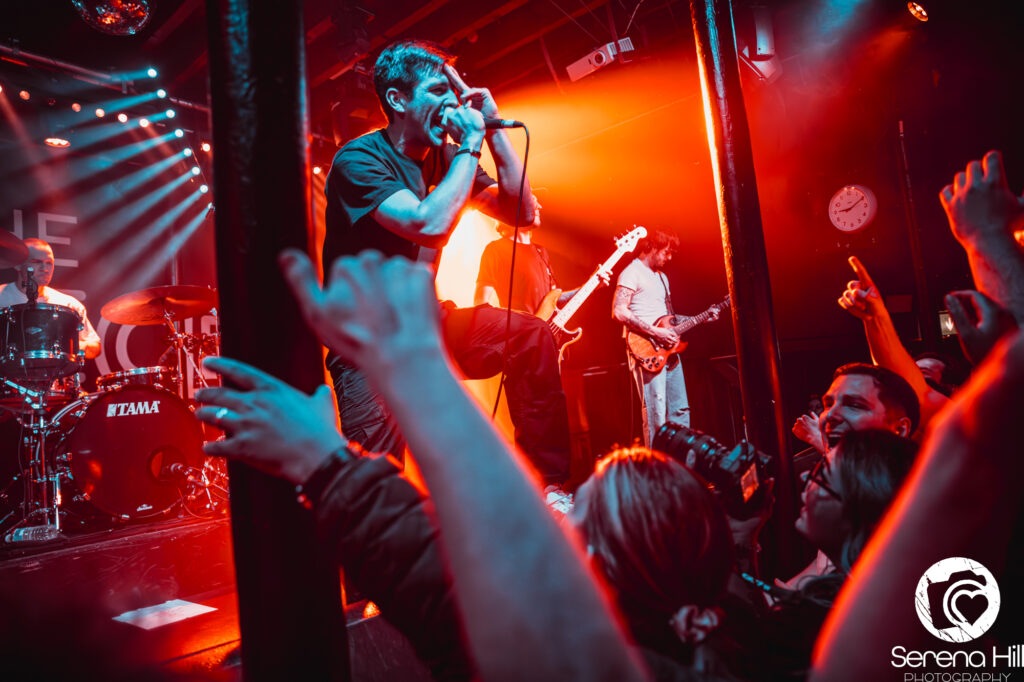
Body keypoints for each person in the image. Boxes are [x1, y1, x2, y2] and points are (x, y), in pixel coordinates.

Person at [195, 250, 647, 682]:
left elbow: (450, 584)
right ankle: (368, 614)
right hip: (405, 328)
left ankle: (373, 630)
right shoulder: (612, 657)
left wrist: (327, 465)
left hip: (418, 325)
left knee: (528, 337)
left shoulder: (556, 653)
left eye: (583, 523)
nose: (567, 532)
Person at [322, 39, 572, 488]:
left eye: (454, 91)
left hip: (427, 322)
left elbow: (522, 212)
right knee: (380, 484)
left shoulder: (446, 158)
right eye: (438, 90)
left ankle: (548, 488)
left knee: (531, 336)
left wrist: (492, 129)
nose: (452, 102)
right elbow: (427, 222)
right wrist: (471, 143)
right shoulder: (357, 160)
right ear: (398, 100)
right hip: (366, 340)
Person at [733, 429, 918, 681]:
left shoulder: (840, 617)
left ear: (860, 507)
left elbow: (750, 651)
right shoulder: (858, 582)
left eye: (823, 475)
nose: (805, 475)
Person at [613, 230, 718, 446]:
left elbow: (671, 319)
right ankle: (658, 473)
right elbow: (619, 311)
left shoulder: (662, 278)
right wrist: (655, 332)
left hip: (668, 351)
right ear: (651, 247)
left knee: (680, 410)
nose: (668, 258)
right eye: (666, 252)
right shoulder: (631, 272)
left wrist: (702, 318)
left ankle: (681, 467)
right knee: (655, 412)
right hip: (646, 350)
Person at [474, 201, 609, 316]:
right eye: (533, 201)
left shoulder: (541, 251)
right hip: (521, 339)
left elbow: (553, 300)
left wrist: (590, 286)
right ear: (515, 208)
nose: (539, 206)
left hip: (546, 338)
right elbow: (481, 304)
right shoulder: (496, 250)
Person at [0, 238, 101, 360]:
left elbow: (95, 346)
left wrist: (69, 346)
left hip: (54, 377)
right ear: (18, 265)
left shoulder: (69, 305)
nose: (45, 269)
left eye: (49, 263)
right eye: (36, 262)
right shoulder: (2, 297)